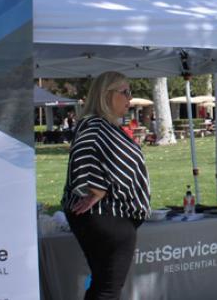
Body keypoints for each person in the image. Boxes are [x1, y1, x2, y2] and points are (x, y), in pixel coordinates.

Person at [61, 71, 150, 300]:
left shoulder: (101, 125)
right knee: (107, 289)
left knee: (104, 287)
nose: (129, 98)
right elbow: (84, 152)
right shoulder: (95, 125)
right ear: (106, 94)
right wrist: (97, 186)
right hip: (107, 216)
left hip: (107, 217)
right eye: (125, 92)